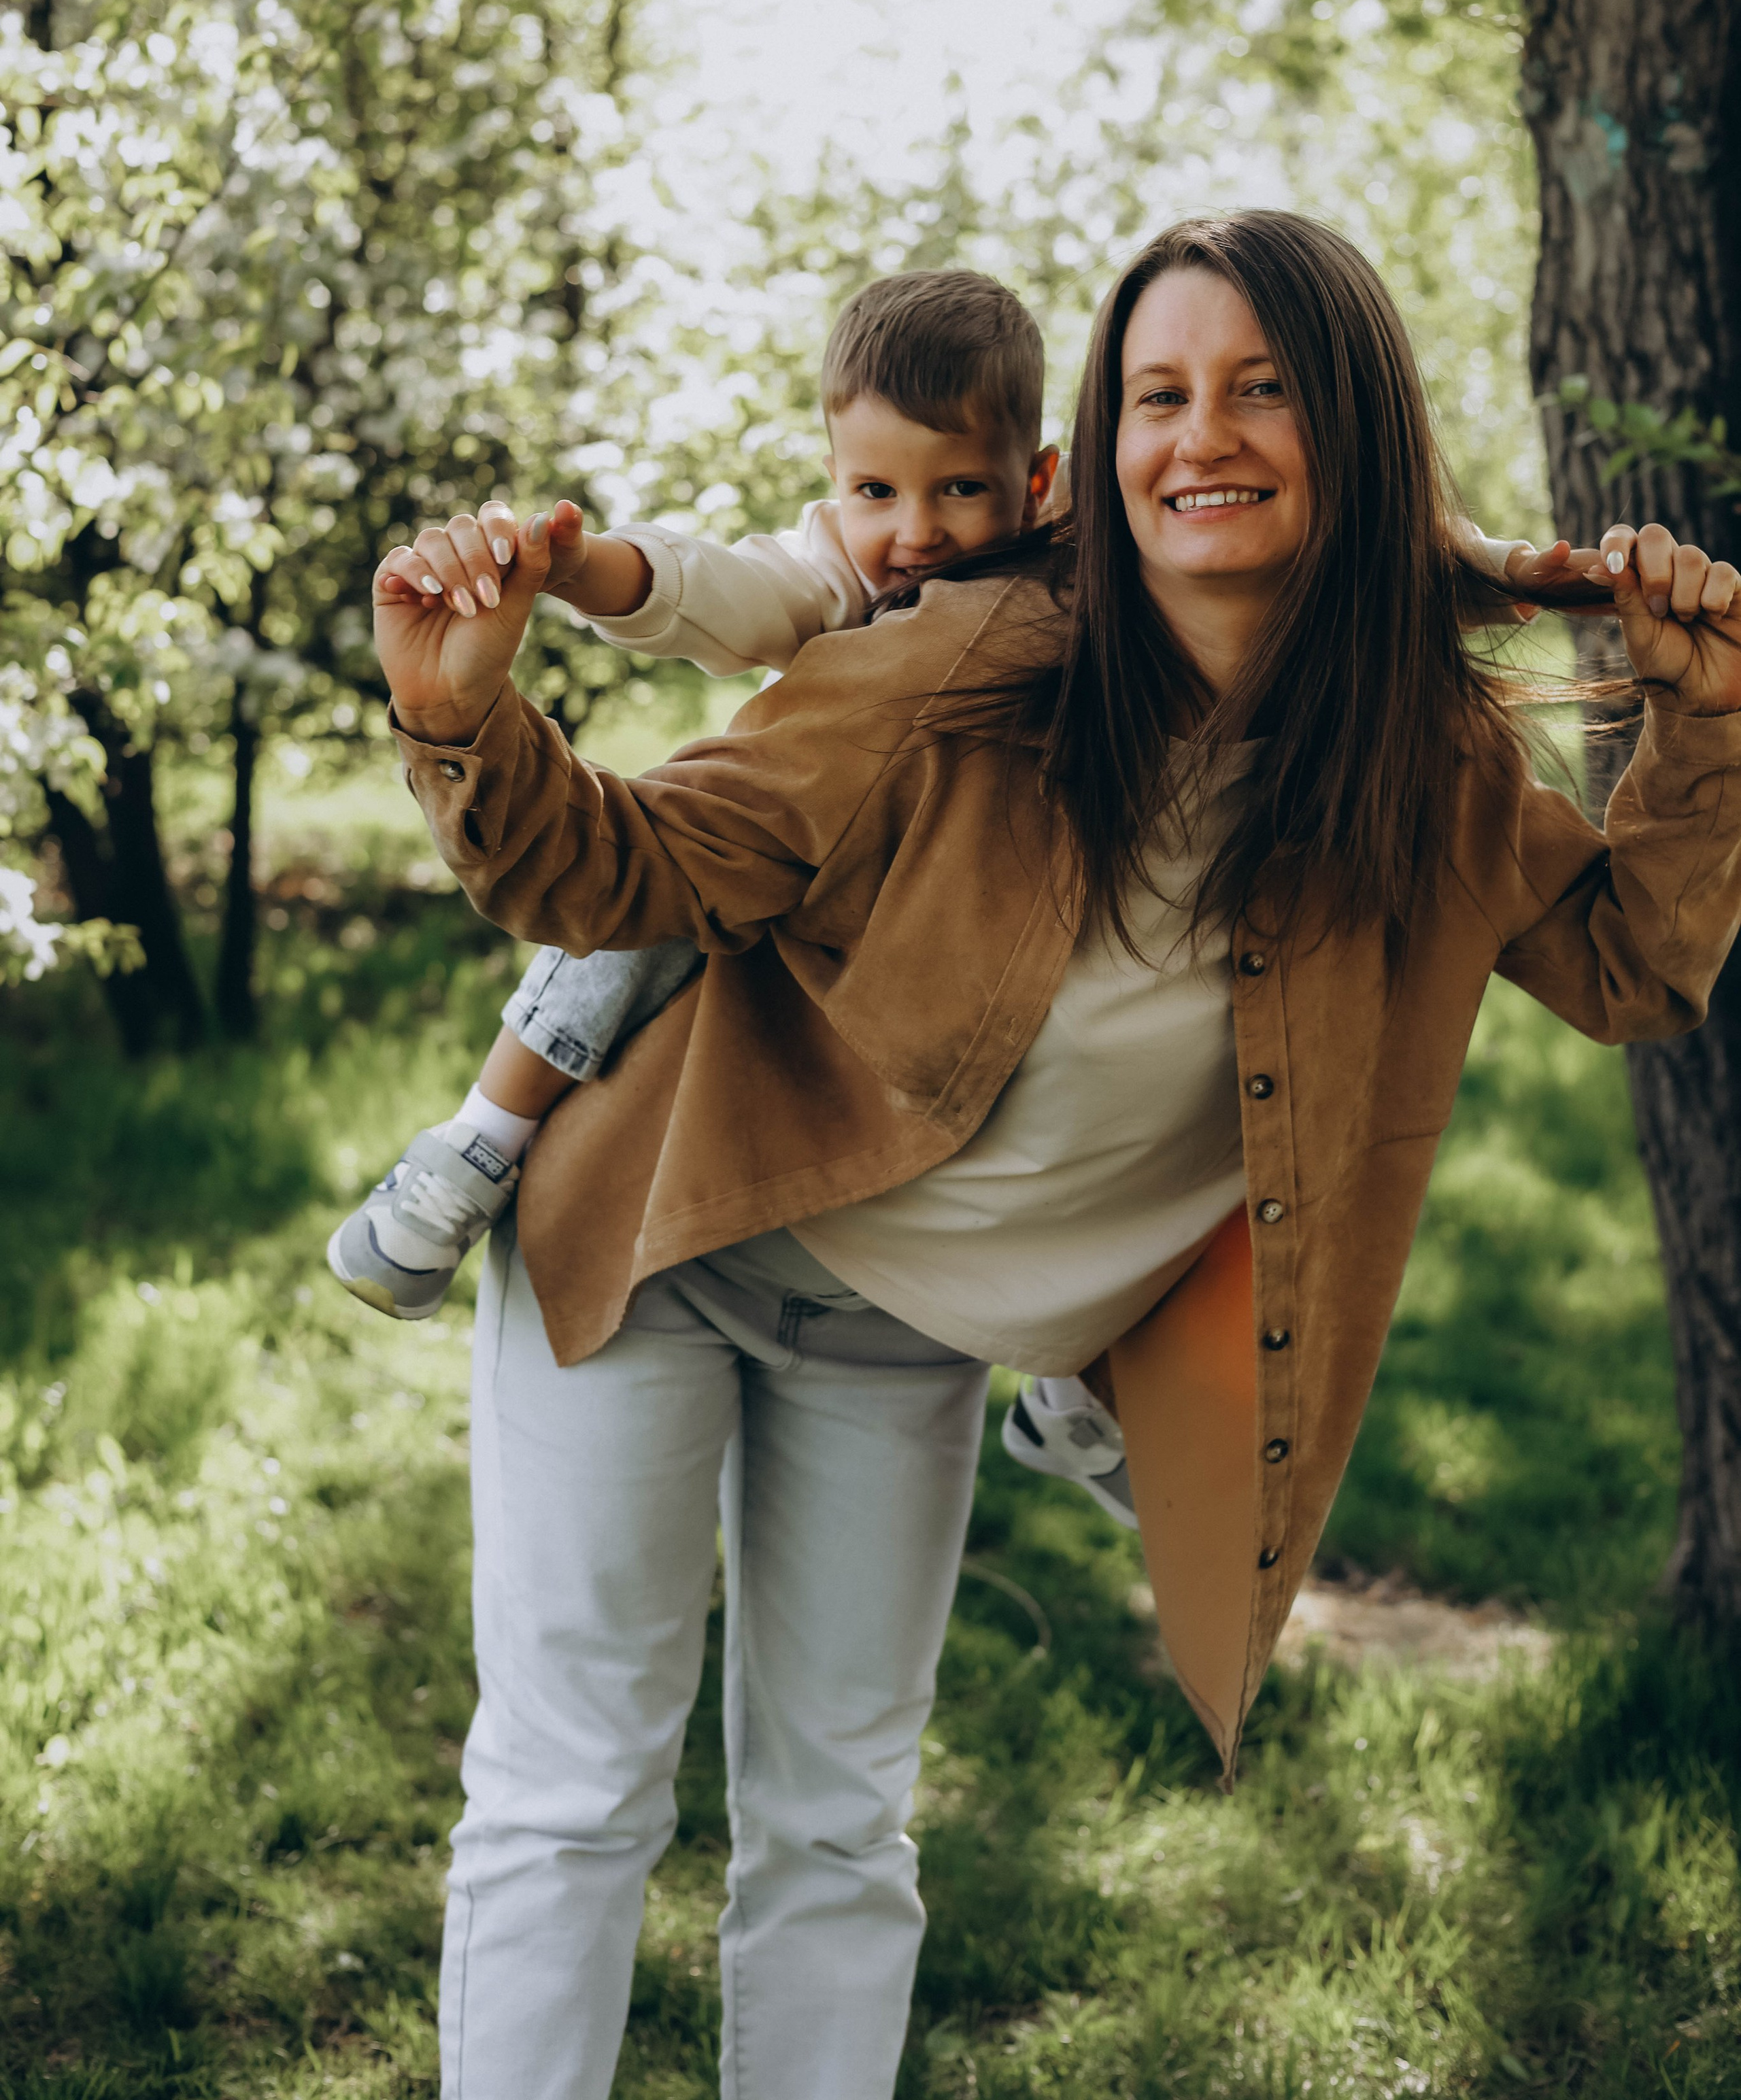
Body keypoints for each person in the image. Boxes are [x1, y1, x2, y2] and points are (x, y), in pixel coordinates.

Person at [375, 211, 1741, 2100]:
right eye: (1159, 394)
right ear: (1099, 454)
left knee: (841, 1824)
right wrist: (464, 719)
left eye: (1263, 390)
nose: (1205, 436)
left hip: (903, 1334)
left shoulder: (1418, 761)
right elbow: (621, 871)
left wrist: (1709, 721)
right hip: (667, 1229)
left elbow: (1632, 965)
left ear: (1353, 430)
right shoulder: (965, 663)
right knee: (575, 1780)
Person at [335, 261, 1546, 1525]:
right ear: (836, 482)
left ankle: (1097, 1371)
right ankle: (477, 1141)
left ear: (1038, 482)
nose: (912, 531)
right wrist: (592, 581)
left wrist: (1514, 573)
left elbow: (1375, 533)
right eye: (874, 492)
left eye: (957, 490)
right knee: (630, 940)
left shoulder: (1108, 587)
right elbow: (724, 598)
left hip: (899, 1236)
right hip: (753, 896)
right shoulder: (862, 593)